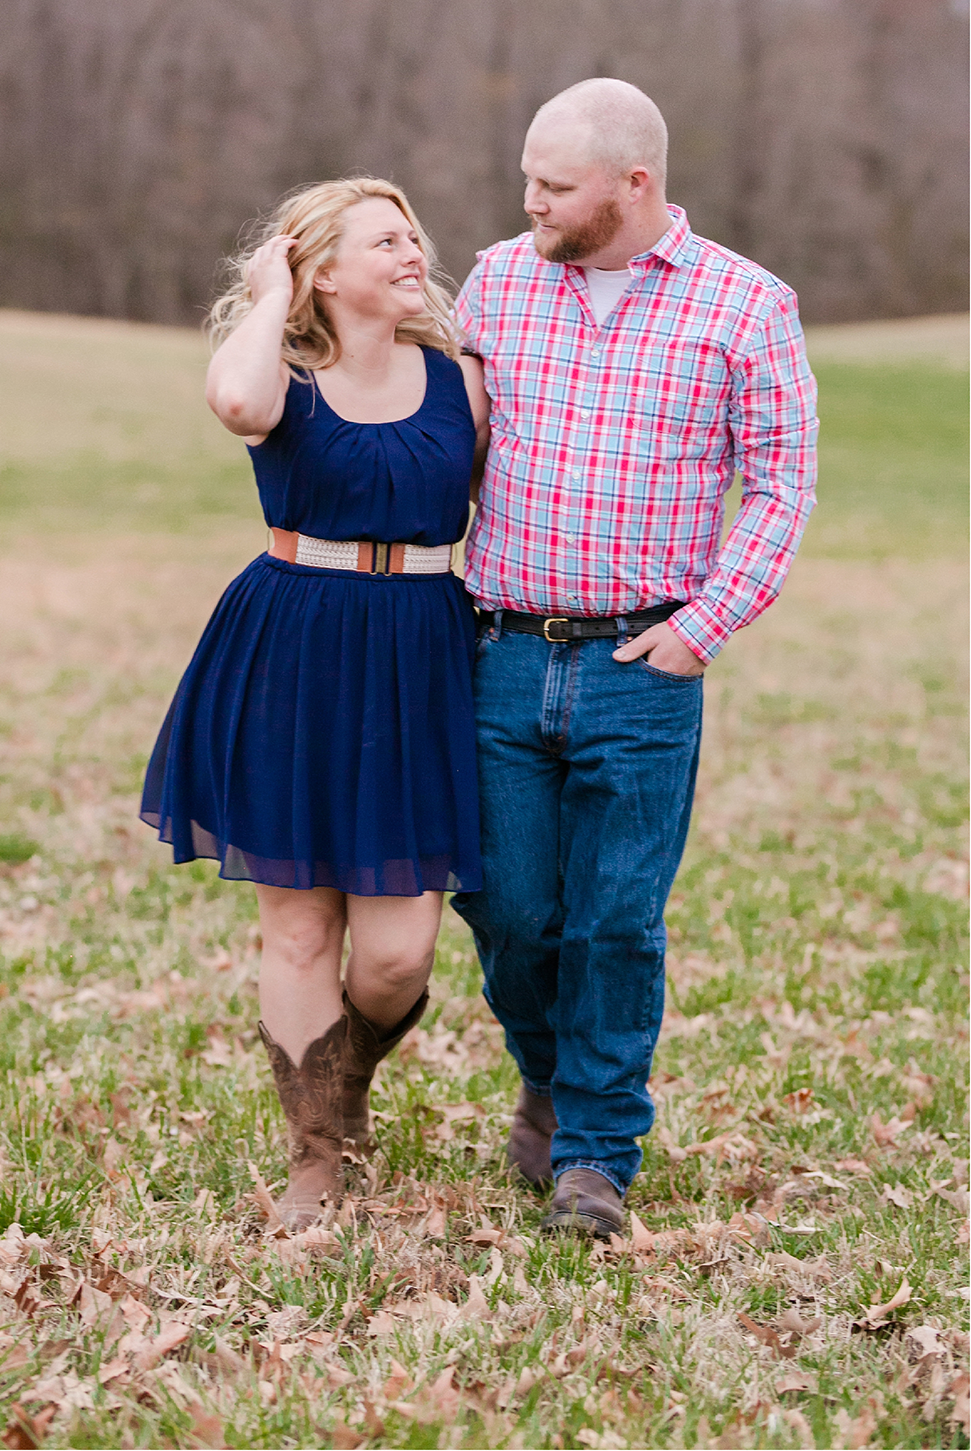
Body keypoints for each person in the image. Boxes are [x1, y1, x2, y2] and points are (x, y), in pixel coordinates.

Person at [453, 76, 817, 1240]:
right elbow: (435, 440)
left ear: (634, 183)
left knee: (616, 917)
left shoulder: (746, 306)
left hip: (641, 665)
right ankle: (549, 1074)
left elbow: (780, 486)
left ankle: (595, 1155)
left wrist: (704, 626)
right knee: (508, 907)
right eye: (527, 179)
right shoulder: (499, 281)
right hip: (501, 652)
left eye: (552, 185)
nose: (530, 202)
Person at [140, 176, 488, 1232]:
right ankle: (315, 1157)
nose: (411, 250)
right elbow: (236, 406)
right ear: (321, 270)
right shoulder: (282, 378)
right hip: (293, 646)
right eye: (384, 239)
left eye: (413, 235)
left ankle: (342, 1078)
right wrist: (266, 290)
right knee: (297, 933)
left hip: (421, 651)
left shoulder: (459, 380)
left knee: (396, 953)